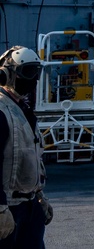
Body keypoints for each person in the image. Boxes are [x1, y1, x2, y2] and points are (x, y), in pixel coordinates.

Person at [0, 46, 52, 248]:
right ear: (6, 74)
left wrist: (39, 195)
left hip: (29, 206)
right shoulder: (2, 111)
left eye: (36, 72)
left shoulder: (23, 109)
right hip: (8, 208)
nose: (34, 79)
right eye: (29, 72)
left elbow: (31, 157)